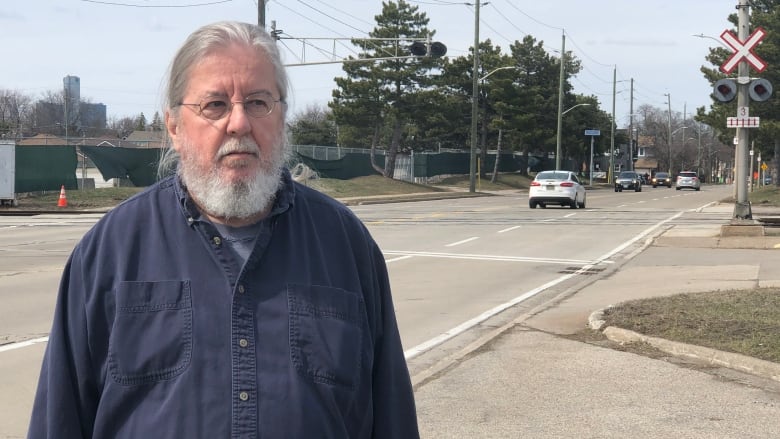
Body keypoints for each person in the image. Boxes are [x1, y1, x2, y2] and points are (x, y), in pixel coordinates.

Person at [28, 21, 419, 438]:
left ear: (282, 118)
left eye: (257, 103)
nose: (238, 123)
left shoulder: (347, 247)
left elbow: (391, 416)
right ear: (175, 128)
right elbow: (60, 420)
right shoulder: (108, 252)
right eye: (214, 105)